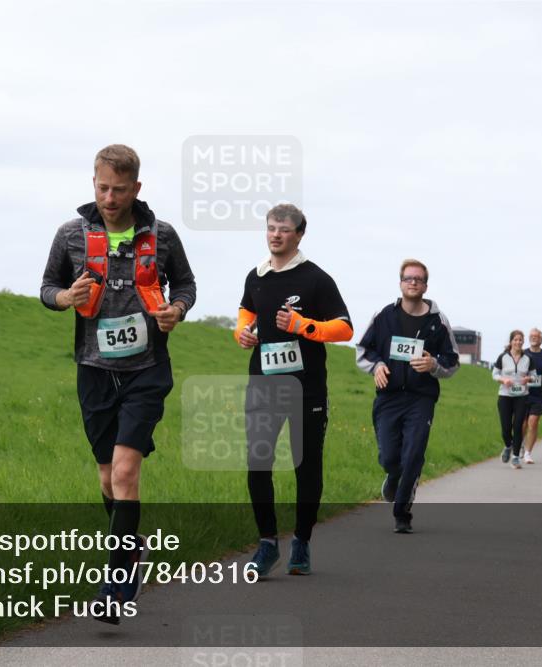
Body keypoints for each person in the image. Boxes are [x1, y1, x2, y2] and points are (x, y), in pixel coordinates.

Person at [39, 144, 197, 624]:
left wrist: (177, 310)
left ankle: (115, 585)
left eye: (120, 189)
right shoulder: (71, 235)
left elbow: (186, 286)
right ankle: (133, 546)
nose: (110, 197)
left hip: (147, 369)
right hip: (94, 369)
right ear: (93, 182)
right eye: (103, 187)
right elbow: (47, 288)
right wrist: (66, 296)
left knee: (127, 474)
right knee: (107, 477)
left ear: (137, 189)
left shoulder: (162, 235)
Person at [234, 204, 353, 577]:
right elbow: (246, 312)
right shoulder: (256, 276)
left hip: (307, 390)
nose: (275, 235)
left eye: (284, 230)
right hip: (264, 385)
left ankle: (302, 540)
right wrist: (241, 332)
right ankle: (267, 543)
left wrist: (305, 326)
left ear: (299, 234)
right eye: (271, 228)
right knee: (258, 464)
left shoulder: (316, 279)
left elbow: (345, 328)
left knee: (306, 468)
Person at [356, 259, 460, 533]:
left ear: (426, 285)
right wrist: (377, 365)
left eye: (418, 279)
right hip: (388, 397)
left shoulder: (438, 321)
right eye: (408, 278)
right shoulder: (384, 316)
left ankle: (402, 513)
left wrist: (434, 365)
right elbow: (363, 350)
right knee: (390, 457)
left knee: (413, 453)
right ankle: (394, 475)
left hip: (420, 398)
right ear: (400, 283)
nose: (413, 283)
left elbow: (453, 361)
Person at [493, 330, 536, 469]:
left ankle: (516, 457)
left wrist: (528, 379)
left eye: (520, 340)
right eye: (515, 340)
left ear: (523, 342)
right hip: (505, 396)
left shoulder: (528, 358)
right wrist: (503, 379)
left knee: (518, 427)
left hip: (522, 397)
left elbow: (535, 377)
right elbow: (494, 374)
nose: (518, 342)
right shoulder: (503, 357)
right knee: (506, 428)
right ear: (511, 341)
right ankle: (507, 446)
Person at [521, 328, 542, 464]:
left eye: (536, 336)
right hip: (523, 394)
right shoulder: (523, 353)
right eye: (531, 336)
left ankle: (528, 453)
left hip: (538, 395)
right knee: (522, 424)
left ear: (541, 339)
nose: (533, 338)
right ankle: (520, 447)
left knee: (533, 423)